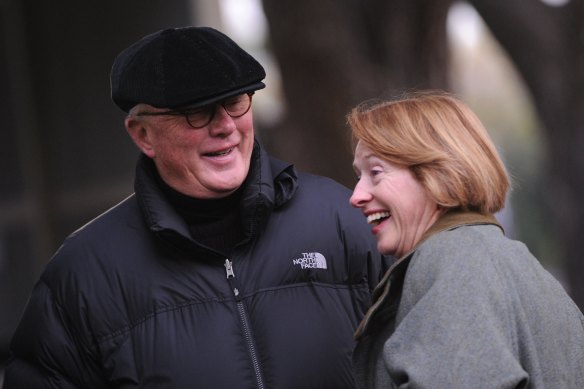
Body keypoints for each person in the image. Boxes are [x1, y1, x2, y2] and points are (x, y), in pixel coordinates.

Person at [4, 26, 386, 388]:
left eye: (235, 102)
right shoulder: (83, 275)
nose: (225, 126)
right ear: (143, 135)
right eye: (198, 111)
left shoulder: (346, 220)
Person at [347, 91, 584, 388]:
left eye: (376, 172)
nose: (356, 196)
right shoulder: (514, 263)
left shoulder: (453, 261)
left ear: (437, 172)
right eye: (359, 176)